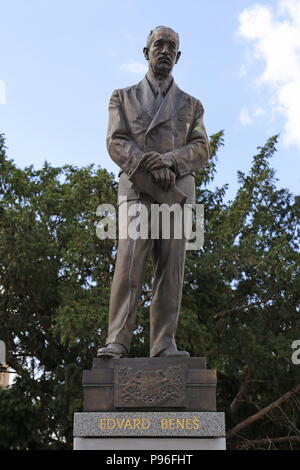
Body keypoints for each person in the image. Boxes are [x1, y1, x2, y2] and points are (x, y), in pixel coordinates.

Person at [97, 26, 210, 358]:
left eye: (171, 46)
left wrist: (170, 161)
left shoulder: (192, 105)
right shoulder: (123, 97)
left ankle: (163, 343)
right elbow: (116, 141)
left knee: (171, 268)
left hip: (175, 191)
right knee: (129, 264)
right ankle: (116, 340)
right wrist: (147, 163)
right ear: (145, 52)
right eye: (158, 44)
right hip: (137, 187)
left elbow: (201, 148)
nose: (164, 50)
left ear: (179, 56)